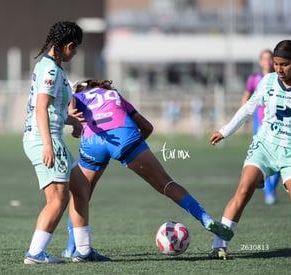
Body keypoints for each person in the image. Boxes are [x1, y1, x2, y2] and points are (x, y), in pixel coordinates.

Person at [61, 79, 234, 257]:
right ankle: (204, 218)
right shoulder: (114, 95)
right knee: (166, 184)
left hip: (93, 141)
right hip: (124, 136)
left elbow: (58, 111)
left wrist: (74, 122)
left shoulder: (77, 96)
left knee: (81, 194)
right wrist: (133, 149)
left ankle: (72, 248)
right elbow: (147, 127)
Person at [22, 21, 109, 264]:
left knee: (81, 189)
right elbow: (41, 109)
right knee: (58, 200)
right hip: (45, 140)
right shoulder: (50, 71)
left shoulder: (48, 67)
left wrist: (72, 121)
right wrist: (48, 145)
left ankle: (82, 251)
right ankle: (35, 253)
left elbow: (51, 109)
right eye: (76, 48)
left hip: (48, 137)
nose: (76, 53)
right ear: (69, 45)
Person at [209, 40, 291, 259]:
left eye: (284, 65)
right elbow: (249, 108)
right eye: (276, 64)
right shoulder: (268, 81)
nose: (279, 69)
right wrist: (225, 131)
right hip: (265, 146)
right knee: (244, 189)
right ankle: (218, 245)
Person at [241, 49, 280, 205]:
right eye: (265, 59)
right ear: (260, 61)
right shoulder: (254, 79)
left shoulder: (280, 78)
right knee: (263, 157)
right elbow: (246, 98)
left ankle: (269, 186)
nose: (268, 62)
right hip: (260, 124)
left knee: (278, 160)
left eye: (270, 59)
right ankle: (269, 192)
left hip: (278, 125)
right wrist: (243, 117)